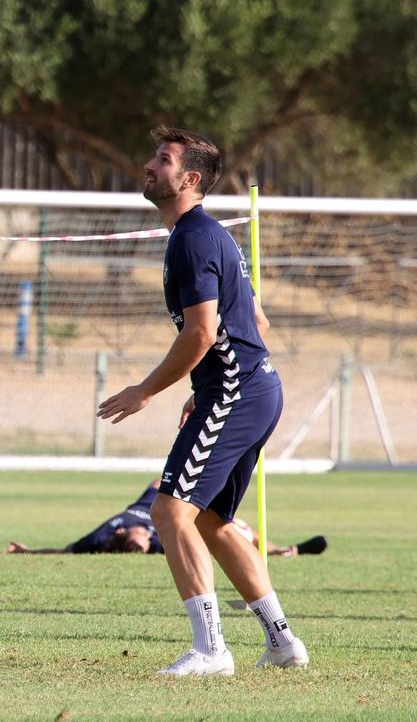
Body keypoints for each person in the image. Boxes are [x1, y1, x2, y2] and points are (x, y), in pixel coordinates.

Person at [98, 126, 308, 676]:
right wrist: (204, 389)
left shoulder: (193, 237)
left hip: (238, 391)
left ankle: (212, 650)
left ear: (189, 179)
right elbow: (255, 320)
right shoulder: (209, 235)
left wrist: (145, 391)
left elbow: (201, 334)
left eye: (162, 160)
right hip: (252, 388)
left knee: (169, 511)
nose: (148, 165)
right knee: (213, 520)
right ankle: (282, 642)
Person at [5, 479, 328, 557]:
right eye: (140, 548)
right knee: (233, 528)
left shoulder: (109, 531)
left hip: (172, 497)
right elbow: (67, 553)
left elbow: (67, 550)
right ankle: (280, 550)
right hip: (194, 515)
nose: (139, 545)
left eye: (135, 544)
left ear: (126, 536)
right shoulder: (162, 540)